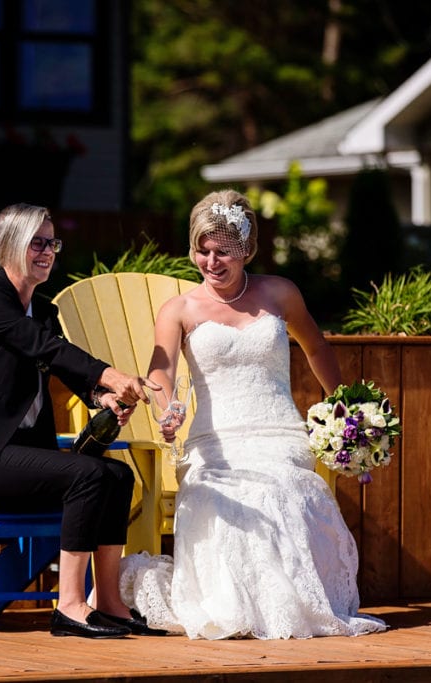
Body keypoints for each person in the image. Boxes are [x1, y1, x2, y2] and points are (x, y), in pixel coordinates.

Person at [119, 189, 388, 639]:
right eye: (202, 251)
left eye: (222, 251)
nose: (211, 261)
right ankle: (237, 607)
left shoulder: (279, 293)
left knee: (286, 489)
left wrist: (347, 410)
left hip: (279, 434)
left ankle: (288, 608)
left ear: (246, 249)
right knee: (222, 496)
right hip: (215, 441)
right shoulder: (179, 309)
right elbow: (160, 370)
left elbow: (316, 347)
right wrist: (168, 409)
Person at [0, 203, 166, 639]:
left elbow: (63, 369)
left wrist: (103, 397)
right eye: (36, 243)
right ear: (9, 247)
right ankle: (70, 606)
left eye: (52, 243)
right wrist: (114, 375)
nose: (47, 252)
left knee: (118, 476)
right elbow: (46, 349)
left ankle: (109, 602)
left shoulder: (41, 309)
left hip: (19, 456)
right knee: (89, 477)